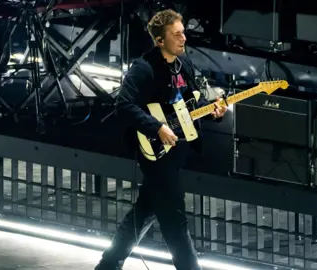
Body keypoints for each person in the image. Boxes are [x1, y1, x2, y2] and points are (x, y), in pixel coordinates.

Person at [95, 9, 227, 270]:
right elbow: (124, 105)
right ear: (159, 40)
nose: (183, 38)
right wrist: (156, 127)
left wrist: (215, 112)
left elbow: (193, 104)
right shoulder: (143, 69)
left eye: (183, 32)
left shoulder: (184, 65)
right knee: (175, 221)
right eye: (176, 34)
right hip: (156, 151)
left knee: (145, 211)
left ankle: (107, 266)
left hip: (178, 149)